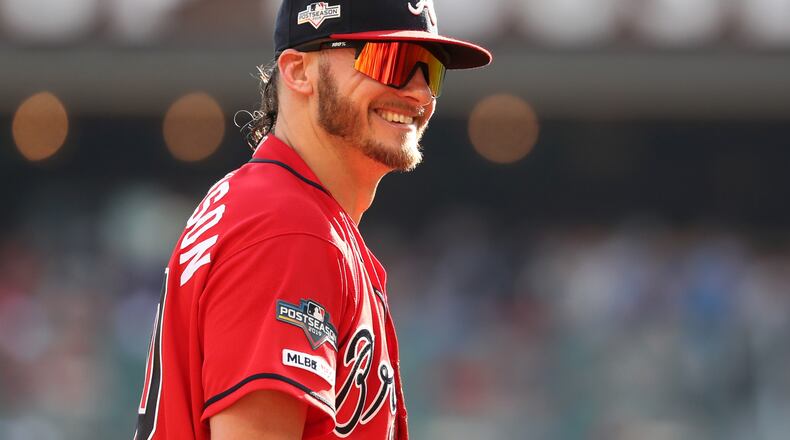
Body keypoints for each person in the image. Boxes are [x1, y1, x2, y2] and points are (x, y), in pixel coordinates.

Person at [133, 0, 491, 439]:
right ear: (299, 71)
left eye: (430, 70)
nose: (418, 93)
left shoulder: (276, 206)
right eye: (389, 60)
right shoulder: (289, 227)